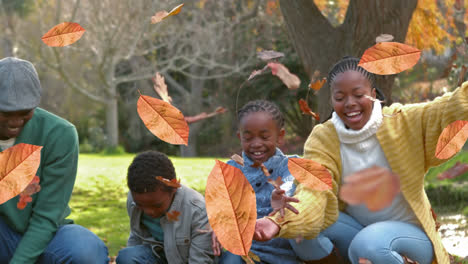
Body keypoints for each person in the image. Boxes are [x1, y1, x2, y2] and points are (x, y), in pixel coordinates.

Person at [255, 57, 468, 264]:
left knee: (369, 246)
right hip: (357, 231)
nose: (350, 104)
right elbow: (313, 190)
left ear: (373, 94)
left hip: (411, 237)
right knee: (302, 233)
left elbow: (451, 108)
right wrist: (278, 221)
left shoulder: (403, 122)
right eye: (340, 98)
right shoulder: (324, 137)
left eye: (358, 95)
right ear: (332, 100)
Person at [0, 57, 109, 263]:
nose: (15, 121)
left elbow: (47, 215)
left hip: (48, 234)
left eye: (25, 112)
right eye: (5, 113)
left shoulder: (60, 134)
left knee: (86, 252)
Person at [218, 100, 340, 264]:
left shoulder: (293, 167)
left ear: (280, 137)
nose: (256, 144)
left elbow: (291, 190)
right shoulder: (231, 170)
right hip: (246, 252)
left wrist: (282, 199)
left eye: (264, 137)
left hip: (283, 254)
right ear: (240, 138)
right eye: (248, 138)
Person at [116, 150, 215, 264]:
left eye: (156, 205)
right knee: (127, 256)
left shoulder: (198, 211)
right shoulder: (134, 200)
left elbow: (200, 261)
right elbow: (136, 239)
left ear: (174, 188)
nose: (149, 212)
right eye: (141, 205)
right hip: (159, 257)